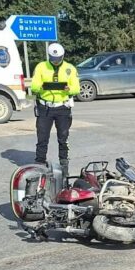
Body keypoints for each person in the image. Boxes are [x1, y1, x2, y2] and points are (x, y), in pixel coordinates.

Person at [30, 42, 79, 176]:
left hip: (62, 107)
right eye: (53, 59)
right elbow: (34, 86)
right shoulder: (41, 67)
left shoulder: (70, 68)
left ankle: (64, 165)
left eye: (58, 59)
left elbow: (76, 87)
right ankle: (40, 163)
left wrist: (69, 89)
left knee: (63, 137)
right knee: (42, 137)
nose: (56, 62)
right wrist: (43, 87)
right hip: (45, 107)